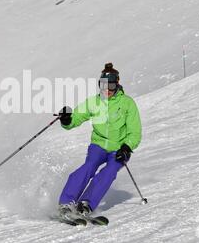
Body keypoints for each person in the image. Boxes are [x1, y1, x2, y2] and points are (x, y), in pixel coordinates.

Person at [57, 62, 142, 218]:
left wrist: (127, 147)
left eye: (110, 86)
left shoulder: (127, 104)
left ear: (117, 84)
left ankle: (86, 203)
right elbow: (76, 118)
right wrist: (67, 119)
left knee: (109, 171)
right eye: (103, 86)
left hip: (119, 148)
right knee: (89, 166)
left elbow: (135, 132)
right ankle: (66, 202)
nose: (106, 90)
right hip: (98, 145)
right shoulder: (94, 102)